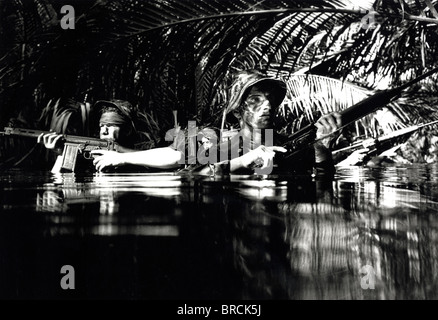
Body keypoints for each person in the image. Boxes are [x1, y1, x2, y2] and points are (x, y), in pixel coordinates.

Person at [187, 69, 343, 176]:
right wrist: (241, 162)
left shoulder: (290, 147)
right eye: (255, 99)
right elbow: (193, 176)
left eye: (270, 99)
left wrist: (322, 150)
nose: (267, 105)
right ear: (237, 112)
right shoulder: (221, 148)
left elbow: (321, 186)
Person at [38, 99, 182, 173]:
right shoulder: (92, 153)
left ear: (126, 130)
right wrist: (60, 154)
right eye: (102, 126)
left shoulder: (148, 149)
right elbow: (58, 180)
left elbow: (176, 158)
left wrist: (120, 158)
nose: (104, 131)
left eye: (111, 125)